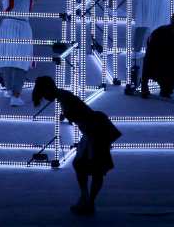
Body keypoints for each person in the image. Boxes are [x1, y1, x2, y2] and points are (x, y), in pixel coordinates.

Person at [33, 76, 121, 216]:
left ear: (48, 89)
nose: (44, 97)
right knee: (86, 166)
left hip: (95, 130)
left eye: (43, 93)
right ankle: (87, 201)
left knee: (90, 167)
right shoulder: (63, 96)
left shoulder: (64, 98)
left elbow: (80, 113)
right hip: (93, 130)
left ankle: (87, 201)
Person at [0, 0, 56, 106]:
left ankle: (10, 89)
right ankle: (15, 94)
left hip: (8, 26)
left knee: (7, 59)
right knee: (20, 62)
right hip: (23, 27)